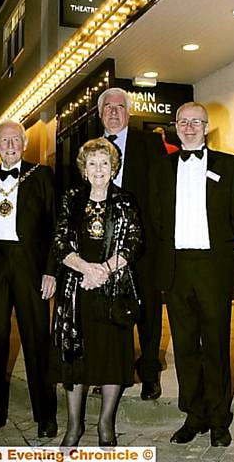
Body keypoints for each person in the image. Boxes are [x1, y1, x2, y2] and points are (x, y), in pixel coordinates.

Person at [150, 101, 234, 447]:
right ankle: (195, 415)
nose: (189, 126)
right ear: (175, 126)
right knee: (186, 346)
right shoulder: (161, 168)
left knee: (217, 346)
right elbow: (156, 217)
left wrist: (217, 249)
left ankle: (220, 419)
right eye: (183, 121)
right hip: (176, 268)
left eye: (196, 121)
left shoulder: (230, 165)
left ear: (206, 126)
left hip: (213, 268)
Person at [0, 120, 57, 439]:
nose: (10, 145)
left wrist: (51, 270)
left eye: (15, 140)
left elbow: (54, 227)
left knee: (37, 341)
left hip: (29, 265)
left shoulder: (42, 175)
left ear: (24, 143)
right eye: (4, 141)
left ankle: (45, 414)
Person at [50, 138, 142, 447]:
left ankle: (105, 424)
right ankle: (74, 426)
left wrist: (104, 270)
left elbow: (133, 242)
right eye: (93, 163)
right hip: (76, 290)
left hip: (113, 289)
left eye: (104, 163)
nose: (99, 169)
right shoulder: (71, 199)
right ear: (84, 168)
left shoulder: (125, 200)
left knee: (112, 357)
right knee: (74, 358)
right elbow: (60, 241)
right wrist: (86, 269)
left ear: (113, 167)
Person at [97, 87, 166, 400]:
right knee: (109, 310)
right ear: (100, 114)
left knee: (148, 309)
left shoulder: (149, 142)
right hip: (103, 245)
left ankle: (149, 372)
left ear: (129, 112)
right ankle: (113, 372)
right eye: (108, 107)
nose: (113, 112)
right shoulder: (91, 147)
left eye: (120, 106)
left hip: (144, 244)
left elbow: (165, 191)